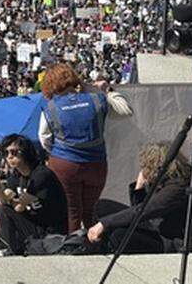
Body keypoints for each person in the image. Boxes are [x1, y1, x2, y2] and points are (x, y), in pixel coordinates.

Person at [39, 63, 132, 232]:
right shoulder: (96, 99)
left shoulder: (50, 107)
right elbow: (125, 110)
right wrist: (107, 90)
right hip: (96, 163)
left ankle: (73, 242)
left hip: (64, 164)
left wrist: (57, 151)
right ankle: (94, 240)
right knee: (90, 210)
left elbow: (44, 137)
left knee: (71, 211)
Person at [86, 142, 192, 254]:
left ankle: (103, 243)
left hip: (176, 243)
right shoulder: (165, 181)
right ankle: (99, 240)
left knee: (119, 235)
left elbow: (145, 210)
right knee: (102, 207)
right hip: (159, 230)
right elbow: (140, 211)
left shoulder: (180, 187)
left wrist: (104, 224)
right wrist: (139, 187)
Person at [0, 134, 68, 255]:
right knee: (3, 210)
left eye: (14, 152)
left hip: (51, 231)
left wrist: (12, 201)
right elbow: (3, 202)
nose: (9, 157)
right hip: (34, 227)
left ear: (25, 152)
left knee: (6, 210)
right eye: (5, 153)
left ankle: (10, 248)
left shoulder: (41, 174)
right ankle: (8, 246)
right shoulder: (16, 175)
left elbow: (19, 207)